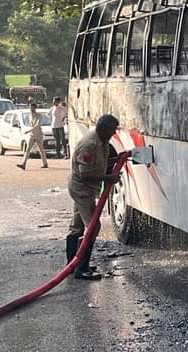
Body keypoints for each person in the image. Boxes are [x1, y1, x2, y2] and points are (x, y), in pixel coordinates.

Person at [65, 114, 120, 280]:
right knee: (93, 227)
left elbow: (102, 163)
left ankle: (72, 264)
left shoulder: (102, 141)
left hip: (85, 189)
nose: (113, 134)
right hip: (82, 189)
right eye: (111, 131)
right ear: (103, 129)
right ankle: (81, 268)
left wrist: (121, 158)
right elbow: (85, 175)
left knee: (77, 227)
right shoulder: (90, 145)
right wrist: (108, 179)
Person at [16, 104, 48, 170]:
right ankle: (23, 163)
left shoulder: (39, 115)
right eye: (30, 108)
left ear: (35, 108)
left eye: (32, 108)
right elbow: (31, 124)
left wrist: (28, 131)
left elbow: (37, 125)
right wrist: (30, 131)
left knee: (41, 150)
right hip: (32, 135)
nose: (31, 109)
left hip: (38, 135)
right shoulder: (29, 115)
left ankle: (45, 163)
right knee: (27, 150)